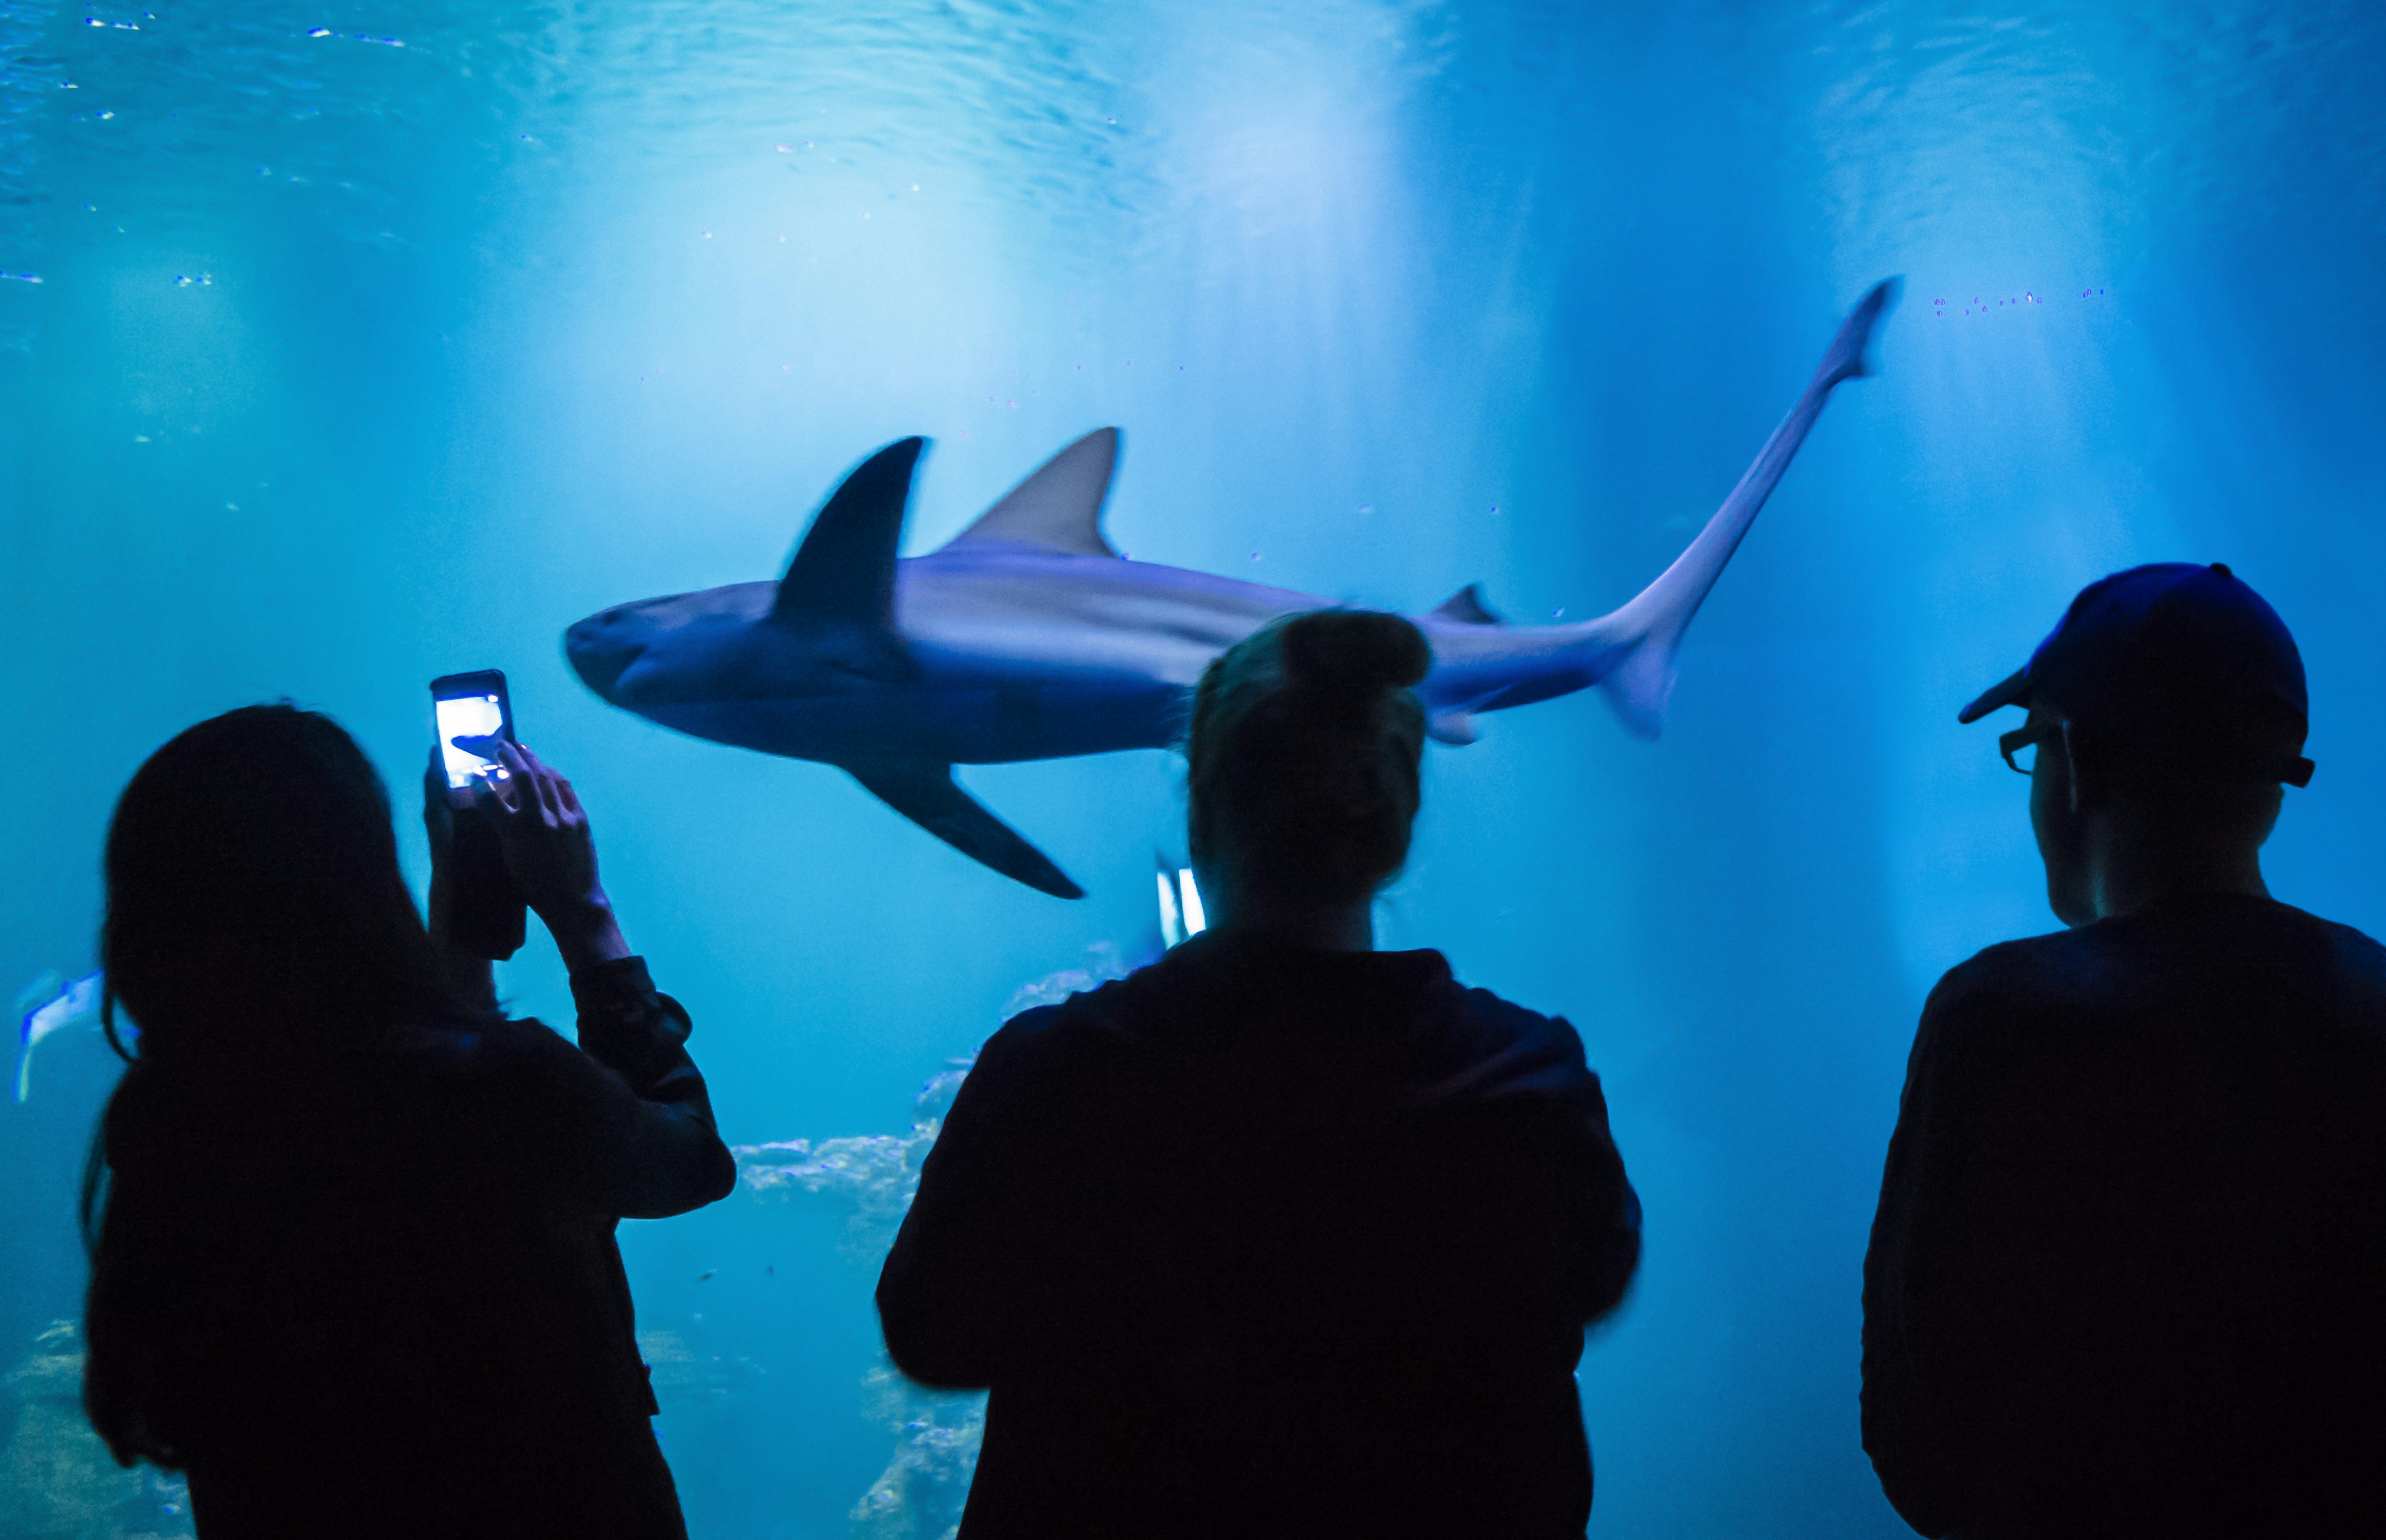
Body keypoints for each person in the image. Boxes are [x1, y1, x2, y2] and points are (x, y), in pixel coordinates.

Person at [877, 609, 1643, 1539]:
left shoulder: (1055, 1075)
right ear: (1399, 820)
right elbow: (1597, 1280)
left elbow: (932, 1335)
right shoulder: (1527, 1077)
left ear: (1200, 815)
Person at [79, 704, 736, 1540]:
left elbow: (411, 1087)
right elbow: (691, 1159)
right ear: (360, 878)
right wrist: (584, 912)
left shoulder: (172, 1131)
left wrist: (461, 931)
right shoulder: (505, 1089)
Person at [1862, 564, 2386, 1539]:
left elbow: (1918, 1430)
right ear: (2273, 786)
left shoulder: (2000, 1017)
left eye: (2029, 747)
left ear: (2079, 761)